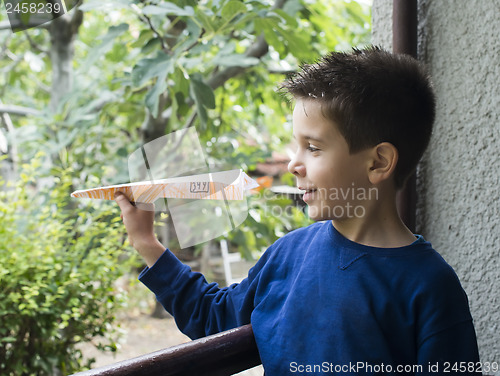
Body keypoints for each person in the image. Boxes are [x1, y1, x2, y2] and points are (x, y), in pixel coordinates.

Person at [114, 46, 480, 375]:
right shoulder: (288, 255)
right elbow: (215, 318)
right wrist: (146, 242)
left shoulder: (431, 289)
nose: (293, 164)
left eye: (314, 148)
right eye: (295, 146)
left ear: (378, 162)